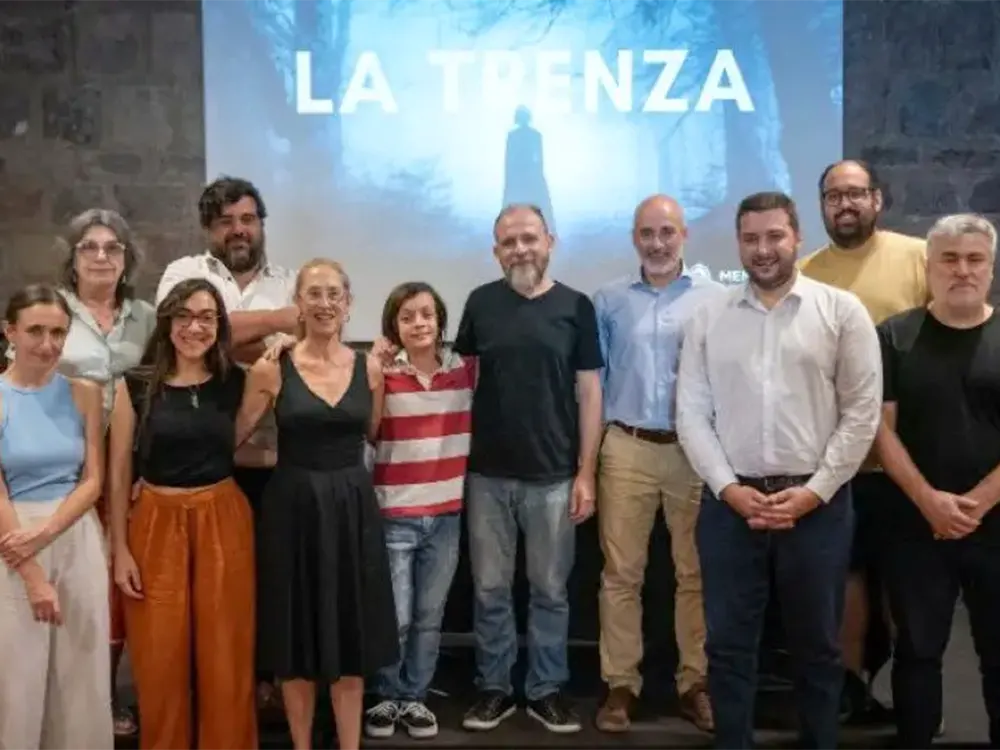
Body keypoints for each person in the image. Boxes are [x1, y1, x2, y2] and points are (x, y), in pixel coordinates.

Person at [676, 192, 882, 750]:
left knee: (817, 648)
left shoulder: (842, 312)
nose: (762, 249)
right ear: (738, 244)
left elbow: (861, 414)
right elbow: (691, 414)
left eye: (774, 236)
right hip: (731, 508)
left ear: (797, 237)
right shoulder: (708, 317)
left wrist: (814, 492)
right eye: (751, 239)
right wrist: (729, 488)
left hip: (816, 508)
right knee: (728, 648)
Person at [453, 204, 603, 734]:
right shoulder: (480, 303)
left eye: (529, 239)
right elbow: (461, 382)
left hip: (554, 476)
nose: (520, 249)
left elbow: (590, 392)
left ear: (550, 242)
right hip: (487, 476)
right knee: (489, 590)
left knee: (551, 592)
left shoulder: (576, 307)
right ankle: (494, 687)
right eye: (509, 242)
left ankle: (545, 689)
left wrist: (586, 472)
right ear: (496, 250)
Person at [239, 259, 398, 750]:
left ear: (348, 304)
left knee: (350, 636)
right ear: (298, 304)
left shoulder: (370, 368)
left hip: (352, 510)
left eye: (334, 294)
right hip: (293, 510)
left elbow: (372, 433)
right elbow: (233, 440)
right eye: (314, 293)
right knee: (296, 639)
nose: (324, 303)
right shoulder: (271, 368)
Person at [155, 176, 295, 705]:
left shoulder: (291, 280)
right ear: (208, 228)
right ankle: (205, 686)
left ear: (261, 224)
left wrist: (225, 337)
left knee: (267, 580)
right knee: (205, 588)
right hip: (200, 465)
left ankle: (260, 681)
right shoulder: (183, 272)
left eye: (248, 219)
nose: (239, 230)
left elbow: (297, 347)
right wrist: (273, 324)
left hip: (273, 459)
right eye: (226, 221)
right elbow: (183, 338)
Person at [798, 159, 928, 722]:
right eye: (833, 196)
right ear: (822, 206)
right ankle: (849, 691)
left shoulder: (919, 258)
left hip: (912, 461)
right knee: (844, 580)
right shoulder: (804, 272)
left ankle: (914, 694)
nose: (844, 204)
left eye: (855, 193)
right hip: (837, 464)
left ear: (877, 199)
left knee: (907, 585)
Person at [108, 278, 257, 750]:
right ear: (168, 321)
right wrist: (119, 550)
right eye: (185, 316)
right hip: (155, 521)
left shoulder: (236, 381)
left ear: (220, 324)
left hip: (222, 517)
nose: (195, 327)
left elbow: (236, 439)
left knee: (225, 656)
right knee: (159, 659)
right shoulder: (135, 384)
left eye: (207, 317)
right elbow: (118, 472)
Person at [592, 195, 722, 733]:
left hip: (696, 450)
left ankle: (696, 683)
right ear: (634, 238)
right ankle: (621, 684)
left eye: (667, 232)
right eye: (647, 233)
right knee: (621, 573)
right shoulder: (608, 300)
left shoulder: (716, 298)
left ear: (684, 235)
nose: (657, 243)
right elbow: (594, 384)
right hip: (627, 446)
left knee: (695, 572)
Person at [874, 213, 1000, 749]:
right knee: (918, 652)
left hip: (995, 525)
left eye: (974, 259)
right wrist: (929, 501)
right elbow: (880, 430)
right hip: (915, 524)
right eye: (949, 259)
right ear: (929, 267)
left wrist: (978, 502)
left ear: (991, 268)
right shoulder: (895, 336)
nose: (962, 270)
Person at [54, 207, 156, 737]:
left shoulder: (146, 318)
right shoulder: (52, 311)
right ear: (72, 260)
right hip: (65, 469)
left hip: (130, 469)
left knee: (119, 584)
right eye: (89, 247)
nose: (101, 256)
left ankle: (109, 696)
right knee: (72, 584)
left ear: (126, 258)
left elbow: (162, 390)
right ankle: (66, 700)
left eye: (112, 247)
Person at [363, 282, 476, 740]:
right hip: (395, 514)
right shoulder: (384, 373)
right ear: (394, 326)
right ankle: (386, 694)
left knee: (430, 616)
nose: (419, 324)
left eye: (427, 314)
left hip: (446, 514)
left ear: (440, 320)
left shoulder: (465, 371)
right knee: (397, 616)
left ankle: (415, 696)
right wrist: (374, 371)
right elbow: (370, 431)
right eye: (407, 317)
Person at [0, 283, 109, 749]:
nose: (48, 345)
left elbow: (93, 480)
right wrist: (32, 574)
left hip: (75, 534)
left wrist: (46, 531)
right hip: (12, 542)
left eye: (58, 333)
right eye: (36, 331)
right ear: (10, 331)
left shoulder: (85, 393)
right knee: (18, 681)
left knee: (82, 678)